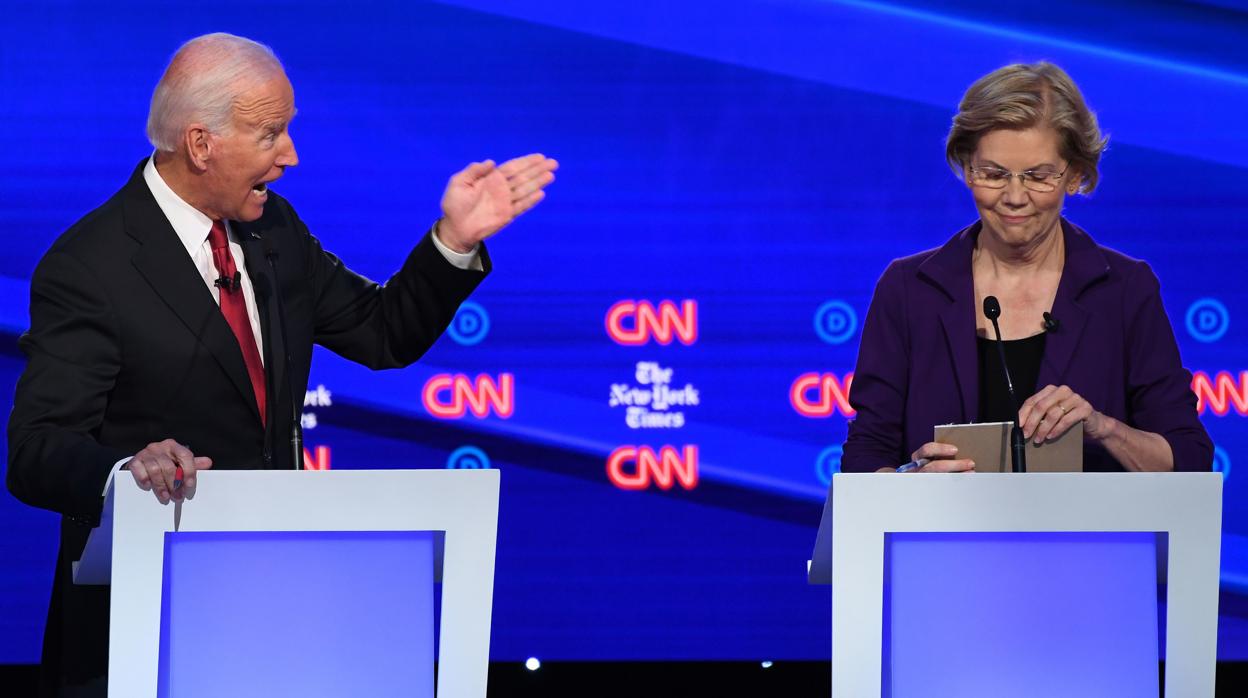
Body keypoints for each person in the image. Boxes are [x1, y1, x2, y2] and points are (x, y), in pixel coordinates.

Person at [5, 32, 557, 696]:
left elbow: (384, 334)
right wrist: (127, 472)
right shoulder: (89, 266)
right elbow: (37, 449)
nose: (291, 156)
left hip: (279, 621)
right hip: (143, 633)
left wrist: (454, 242)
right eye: (272, 134)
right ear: (201, 144)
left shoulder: (275, 232)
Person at [840, 62, 1211, 475]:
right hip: (939, 539)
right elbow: (865, 457)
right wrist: (907, 485)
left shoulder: (1124, 289)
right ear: (966, 169)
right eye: (994, 174)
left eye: (1038, 176)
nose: (1015, 197)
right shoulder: (909, 290)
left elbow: (1189, 460)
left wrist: (1103, 428)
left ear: (1074, 176)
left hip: (1090, 539)